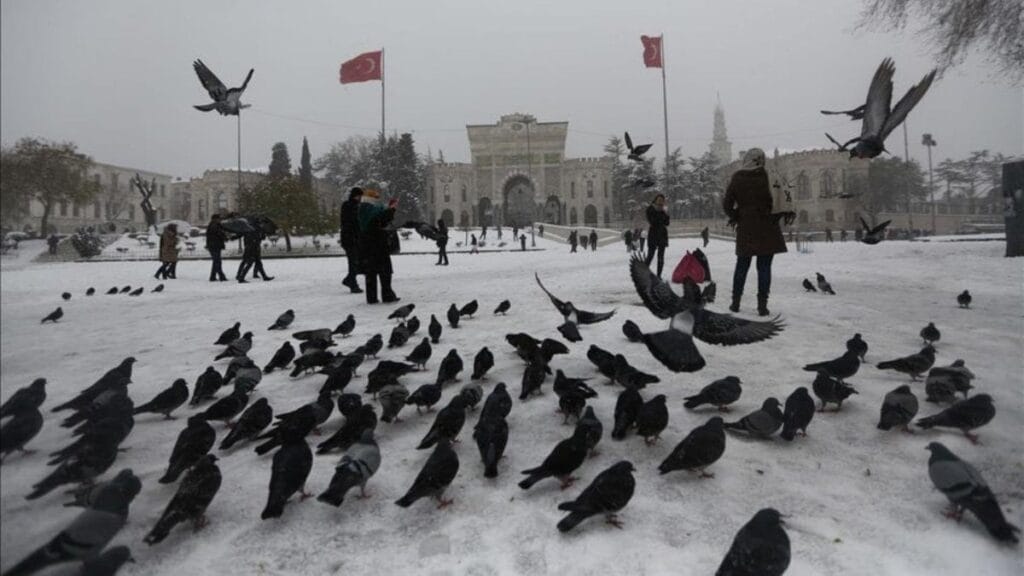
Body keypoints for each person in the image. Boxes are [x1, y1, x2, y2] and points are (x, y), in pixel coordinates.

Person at [722, 148, 787, 316]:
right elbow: (780, 198)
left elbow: (727, 205)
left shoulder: (738, 177)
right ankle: (762, 306)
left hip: (747, 227)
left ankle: (735, 303)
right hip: (768, 225)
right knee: (764, 267)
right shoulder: (770, 176)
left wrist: (738, 215)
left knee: (742, 266)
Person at [358, 189, 399, 304]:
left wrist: (389, 210)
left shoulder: (363, 209)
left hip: (367, 244)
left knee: (371, 272)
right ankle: (387, 295)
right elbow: (382, 219)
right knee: (385, 271)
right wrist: (392, 209)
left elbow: (379, 219)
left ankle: (371, 297)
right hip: (378, 244)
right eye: (376, 198)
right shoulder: (372, 210)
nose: (378, 200)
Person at [340, 187, 363, 293]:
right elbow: (351, 222)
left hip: (351, 238)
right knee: (353, 262)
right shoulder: (349, 206)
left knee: (355, 262)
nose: (360, 198)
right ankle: (351, 282)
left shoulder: (352, 206)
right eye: (359, 196)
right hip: (350, 238)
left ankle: (350, 280)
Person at [644, 195, 670, 275]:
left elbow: (667, 223)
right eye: (659, 200)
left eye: (662, 200)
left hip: (662, 234)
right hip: (653, 234)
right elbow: (653, 222)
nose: (660, 202)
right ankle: (643, 273)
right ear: (655, 200)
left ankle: (659, 275)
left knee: (661, 257)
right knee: (650, 255)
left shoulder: (663, 210)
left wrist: (665, 214)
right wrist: (661, 215)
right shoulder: (650, 209)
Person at [205, 214, 227, 282]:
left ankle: (213, 276)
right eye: (219, 219)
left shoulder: (215, 225)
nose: (220, 220)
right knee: (217, 261)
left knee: (216, 261)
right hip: (214, 245)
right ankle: (221, 276)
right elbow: (218, 234)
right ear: (215, 219)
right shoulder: (214, 225)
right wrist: (225, 237)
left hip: (214, 245)